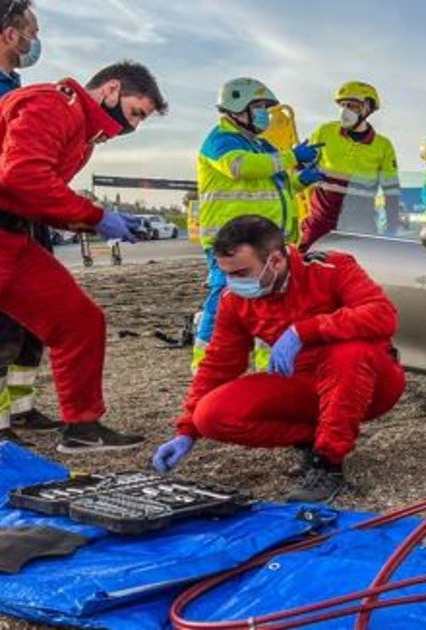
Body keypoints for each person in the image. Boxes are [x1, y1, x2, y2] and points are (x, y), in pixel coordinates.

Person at [0, 61, 167, 453]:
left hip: (11, 235)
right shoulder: (50, 104)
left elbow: (38, 193)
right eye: (134, 114)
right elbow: (22, 175)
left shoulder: (83, 135)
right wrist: (96, 216)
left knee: (79, 320)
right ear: (111, 89)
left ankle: (83, 427)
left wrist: (91, 223)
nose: (130, 128)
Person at [151, 215, 405, 504]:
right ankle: (315, 439)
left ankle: (327, 463)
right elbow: (218, 365)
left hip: (371, 382)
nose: (233, 283)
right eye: (227, 274)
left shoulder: (331, 268)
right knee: (211, 415)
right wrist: (187, 431)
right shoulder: (235, 300)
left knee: (348, 352)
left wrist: (304, 331)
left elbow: (382, 315)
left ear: (275, 260)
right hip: (307, 386)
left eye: (242, 273)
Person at [0, 0, 59, 445]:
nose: (34, 40)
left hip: (27, 214)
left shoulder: (11, 84)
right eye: (32, 30)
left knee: (33, 322)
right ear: (10, 33)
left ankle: (22, 408)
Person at [194, 78, 319, 371]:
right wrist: (290, 157)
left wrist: (302, 180)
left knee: (272, 307)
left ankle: (269, 368)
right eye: (259, 107)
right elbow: (241, 168)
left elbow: (278, 186)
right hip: (232, 243)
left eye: (265, 107)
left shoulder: (262, 146)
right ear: (238, 108)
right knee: (223, 303)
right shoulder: (221, 139)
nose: (265, 113)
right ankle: (205, 367)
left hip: (266, 244)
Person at [298, 81, 401, 249]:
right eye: (343, 105)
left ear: (368, 107)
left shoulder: (383, 146)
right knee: (305, 268)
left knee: (360, 272)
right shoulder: (325, 131)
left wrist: (392, 229)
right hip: (320, 224)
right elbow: (302, 168)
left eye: (352, 105)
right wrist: (298, 163)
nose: (345, 111)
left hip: (359, 227)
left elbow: (391, 191)